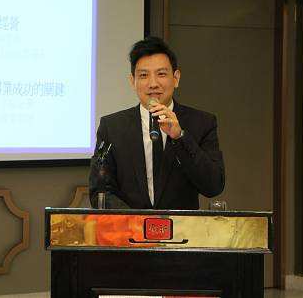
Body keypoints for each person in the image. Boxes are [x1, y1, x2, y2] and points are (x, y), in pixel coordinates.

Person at [89, 36, 224, 209]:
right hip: (130, 225)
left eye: (161, 74)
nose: (153, 84)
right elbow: (100, 191)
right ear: (132, 81)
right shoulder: (112, 127)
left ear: (176, 78)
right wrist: (136, 221)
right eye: (144, 75)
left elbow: (213, 186)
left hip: (181, 226)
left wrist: (180, 137)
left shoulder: (202, 123)